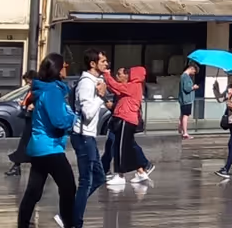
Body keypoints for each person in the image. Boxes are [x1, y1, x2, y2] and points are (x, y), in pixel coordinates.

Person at [18, 53, 77, 228]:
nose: (67, 67)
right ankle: (69, 223)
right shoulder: (52, 91)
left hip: (38, 148)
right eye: (64, 65)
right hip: (51, 148)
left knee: (34, 191)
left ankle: (22, 224)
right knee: (68, 187)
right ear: (57, 69)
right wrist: (73, 119)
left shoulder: (43, 89)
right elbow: (58, 121)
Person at [72, 49, 109, 228]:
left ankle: (71, 212)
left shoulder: (95, 82)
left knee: (99, 177)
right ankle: (73, 219)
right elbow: (87, 113)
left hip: (88, 136)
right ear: (92, 64)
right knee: (86, 180)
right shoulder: (86, 83)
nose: (106, 63)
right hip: (82, 136)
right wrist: (100, 97)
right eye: (102, 61)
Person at [103, 66, 153, 184]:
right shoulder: (133, 86)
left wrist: (106, 74)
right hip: (125, 119)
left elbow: (117, 86)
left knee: (120, 148)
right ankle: (141, 172)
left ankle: (120, 175)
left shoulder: (133, 86)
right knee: (127, 147)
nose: (128, 74)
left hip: (126, 119)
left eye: (130, 73)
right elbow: (116, 89)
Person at [5, 70, 36, 177]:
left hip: (34, 121)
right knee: (25, 144)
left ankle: (16, 167)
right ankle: (16, 166)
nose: (28, 83)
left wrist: (32, 106)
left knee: (27, 144)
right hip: (29, 120)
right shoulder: (32, 90)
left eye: (29, 81)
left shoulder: (38, 90)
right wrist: (24, 104)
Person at [177, 63, 198, 140]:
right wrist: (193, 87)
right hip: (186, 99)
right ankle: (185, 133)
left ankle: (181, 129)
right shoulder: (185, 77)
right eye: (194, 71)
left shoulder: (183, 76)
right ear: (191, 68)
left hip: (183, 99)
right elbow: (187, 88)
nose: (194, 73)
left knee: (182, 115)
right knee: (186, 116)